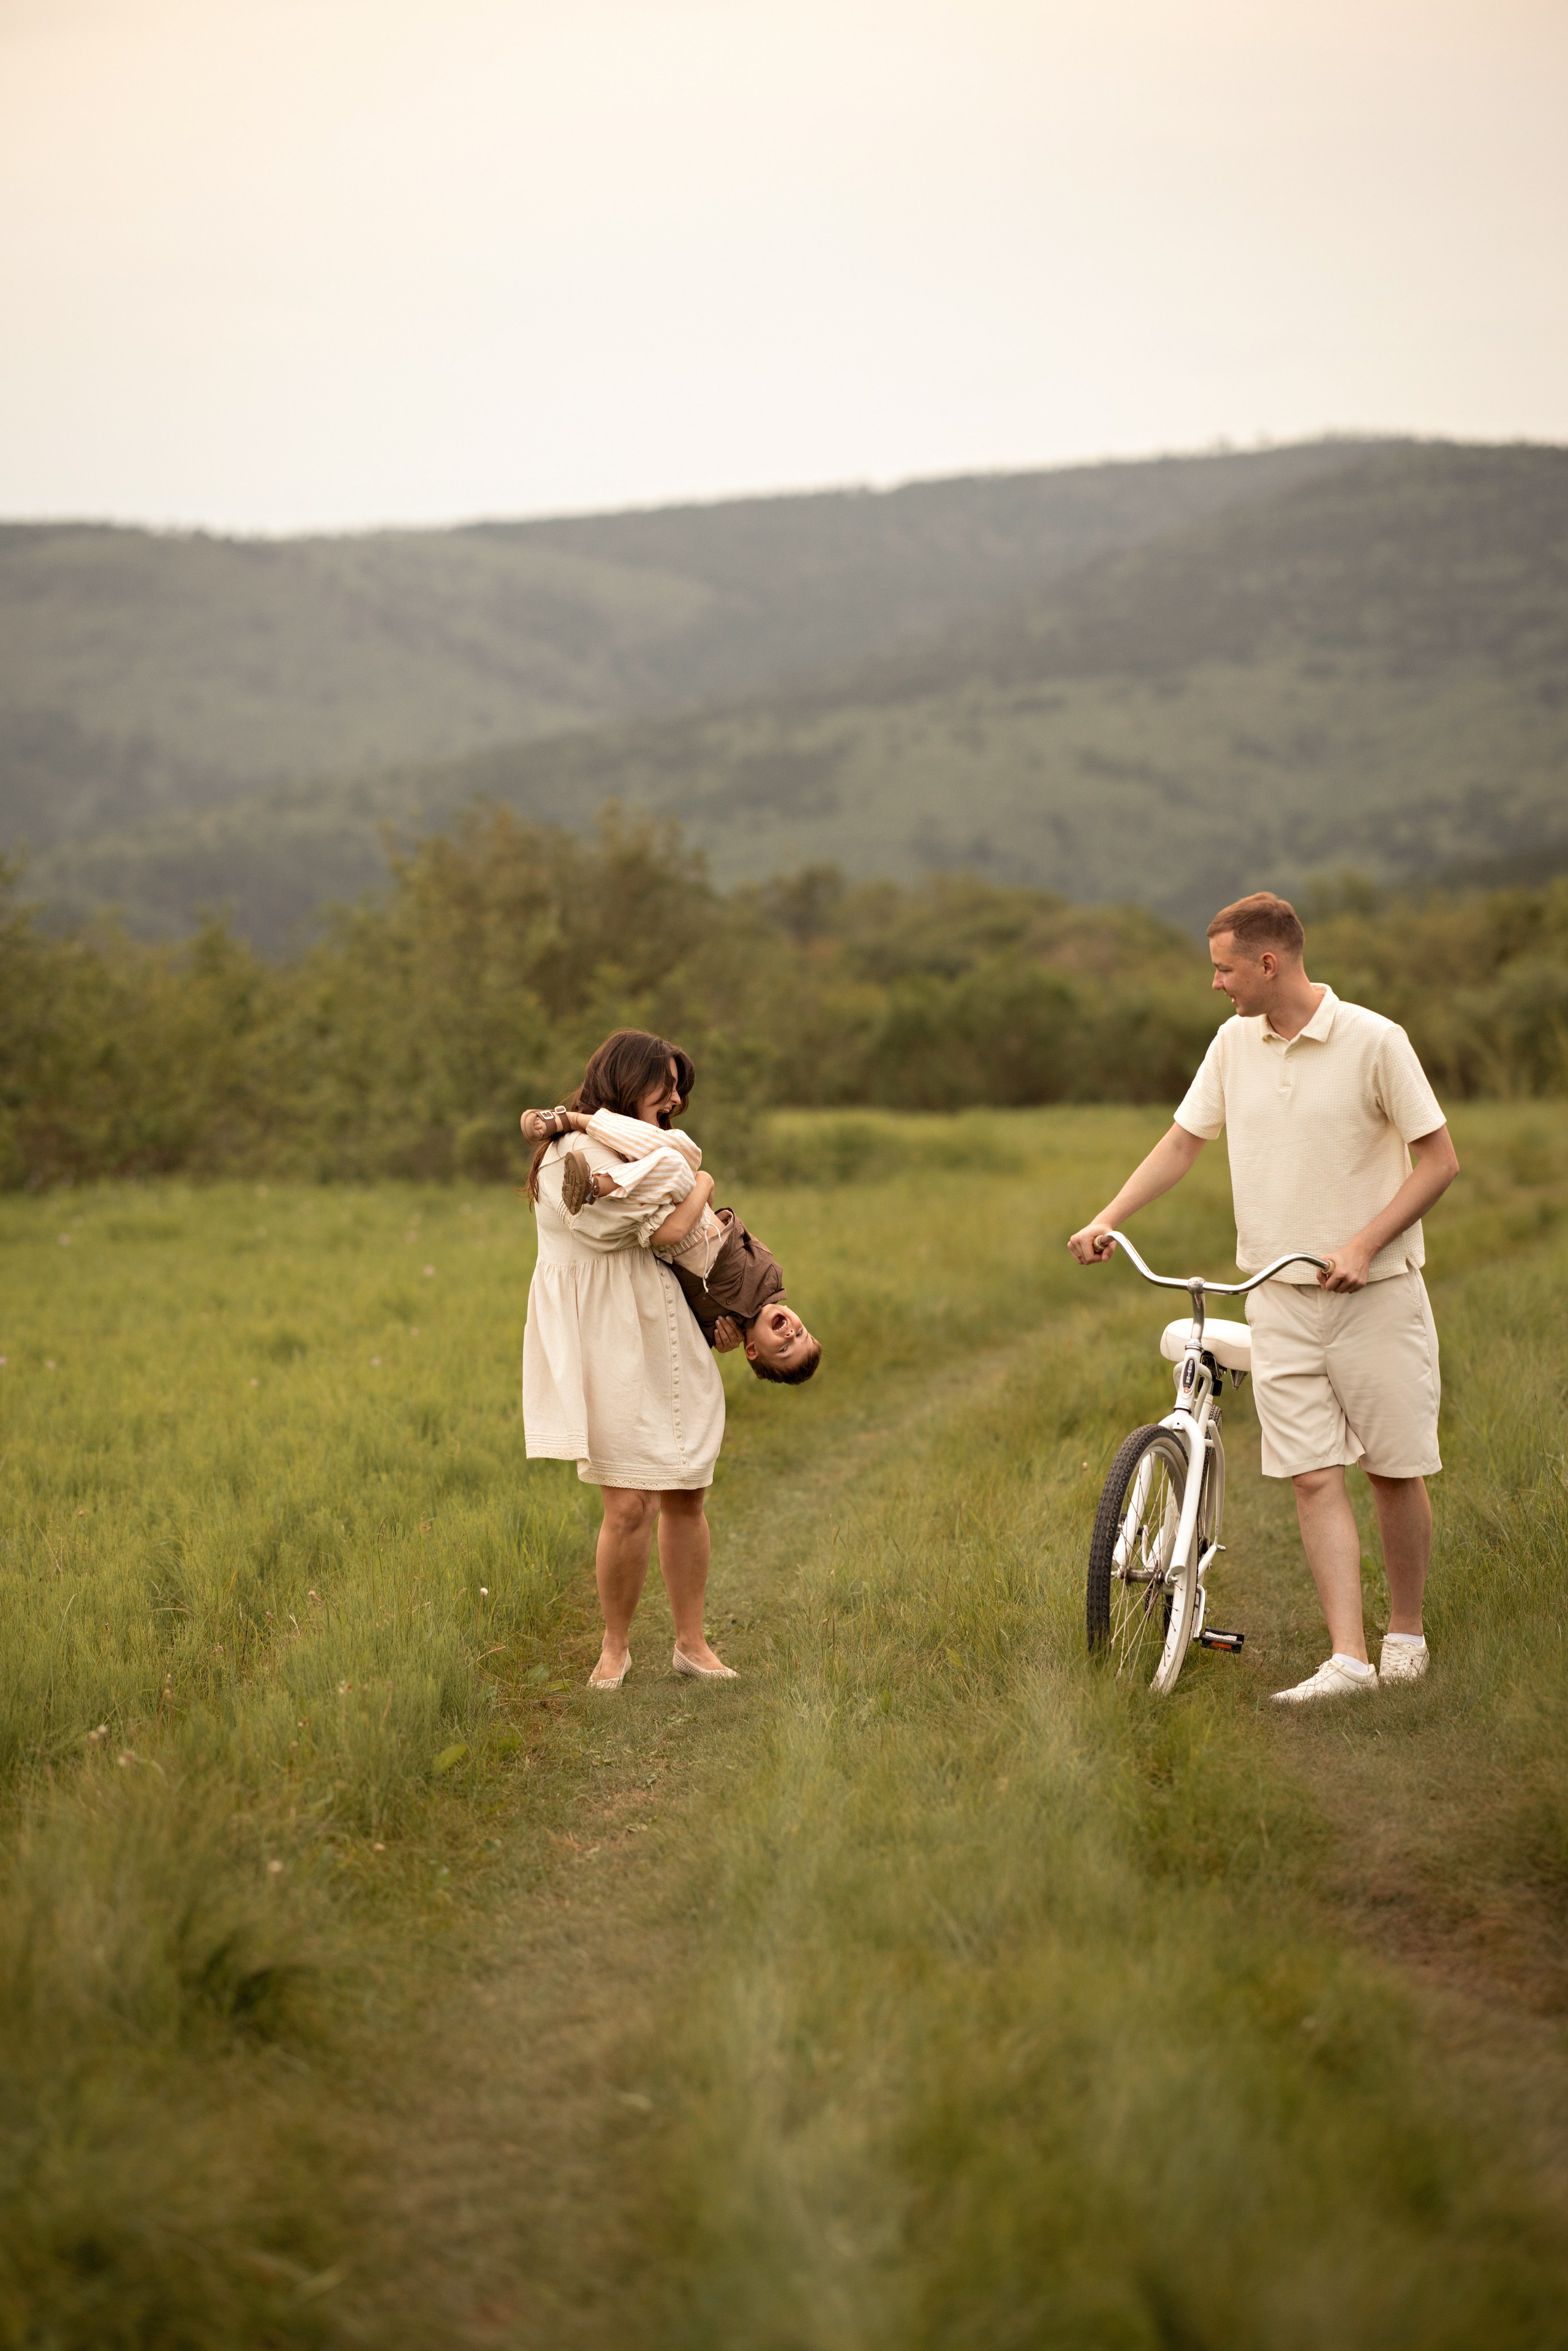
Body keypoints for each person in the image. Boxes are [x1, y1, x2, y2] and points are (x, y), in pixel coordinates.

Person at [1068, 891, 1459, 1705]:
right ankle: (1347, 1658)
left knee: (1394, 1469)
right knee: (1313, 1477)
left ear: (1268, 962)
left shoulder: (1375, 1041)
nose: (1216, 984)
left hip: (1376, 1294)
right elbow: (1183, 1141)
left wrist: (1362, 1243)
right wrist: (1108, 1216)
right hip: (1277, 1299)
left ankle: (1406, 1633)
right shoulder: (1231, 1045)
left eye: (1224, 968)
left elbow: (1438, 1160)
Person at [521, 1029, 734, 1692]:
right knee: (627, 1503)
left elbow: (687, 1239)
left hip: (667, 1325)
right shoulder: (568, 1154)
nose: (674, 1100)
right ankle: (614, 1648)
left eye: (679, 1089)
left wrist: (724, 1307)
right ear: (622, 1081)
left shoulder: (644, 1149)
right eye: (663, 1085)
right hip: (604, 1335)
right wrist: (693, 1181)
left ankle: (691, 1645)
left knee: (686, 1490)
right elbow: (635, 1224)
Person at [521, 1104, 821, 1384]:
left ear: (753, 1351)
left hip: (672, 1235)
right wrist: (714, 1207)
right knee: (681, 1150)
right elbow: (740, 1235)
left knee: (674, 1162)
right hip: (697, 1215)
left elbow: (678, 1317)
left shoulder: (718, 1330)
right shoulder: (773, 1278)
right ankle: (572, 1124)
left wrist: (717, 1341)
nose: (791, 1334)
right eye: (802, 1333)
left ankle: (595, 1184)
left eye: (784, 1349)